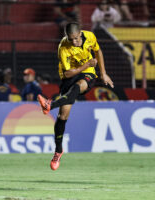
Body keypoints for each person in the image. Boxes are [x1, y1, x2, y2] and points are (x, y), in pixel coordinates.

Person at [37, 22, 114, 171]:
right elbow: (67, 73)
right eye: (70, 39)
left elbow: (98, 51)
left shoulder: (90, 36)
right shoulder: (63, 47)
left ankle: (50, 105)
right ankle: (58, 151)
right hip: (70, 76)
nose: (74, 42)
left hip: (88, 74)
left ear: (80, 33)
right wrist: (85, 65)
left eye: (76, 38)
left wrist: (103, 73)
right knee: (62, 117)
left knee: (79, 85)